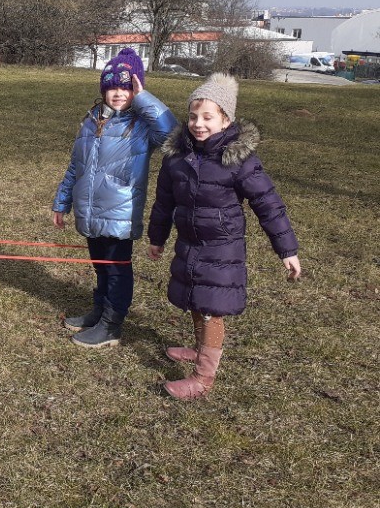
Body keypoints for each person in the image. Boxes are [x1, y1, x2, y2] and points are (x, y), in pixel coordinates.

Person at [147, 72, 301, 400]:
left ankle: (203, 377)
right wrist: (157, 238)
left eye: (208, 117)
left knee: (210, 308)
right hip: (189, 243)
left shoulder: (239, 160)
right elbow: (163, 202)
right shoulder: (177, 158)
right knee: (193, 299)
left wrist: (287, 249)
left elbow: (268, 204)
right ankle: (200, 347)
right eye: (193, 116)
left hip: (222, 248)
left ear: (226, 120)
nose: (198, 124)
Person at [52, 47, 176, 348]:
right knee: (100, 265)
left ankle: (111, 325)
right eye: (112, 87)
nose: (118, 93)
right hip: (90, 210)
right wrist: (62, 201)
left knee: (116, 268)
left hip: (119, 211)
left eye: (126, 87)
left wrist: (143, 98)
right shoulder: (91, 120)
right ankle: (99, 311)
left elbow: (171, 132)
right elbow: (76, 165)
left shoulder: (142, 126)